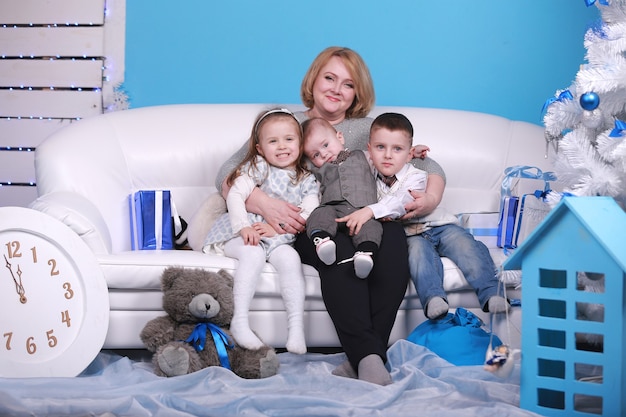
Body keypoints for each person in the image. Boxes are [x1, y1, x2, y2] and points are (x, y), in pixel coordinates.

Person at [216, 46, 445, 385]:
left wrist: (430, 198)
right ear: (313, 80)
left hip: (369, 216)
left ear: (357, 93)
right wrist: (263, 203)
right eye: (330, 78)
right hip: (313, 224)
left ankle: (365, 358)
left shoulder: (368, 128)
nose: (337, 89)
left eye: (348, 84)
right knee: (338, 252)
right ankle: (369, 357)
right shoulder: (286, 122)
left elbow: (427, 164)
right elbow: (227, 171)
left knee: (393, 242)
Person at [338, 112, 509, 321]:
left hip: (438, 225)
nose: (388, 155)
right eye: (380, 147)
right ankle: (434, 298)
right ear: (369, 149)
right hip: (410, 235)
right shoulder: (367, 172)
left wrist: (371, 210)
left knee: (466, 247)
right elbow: (349, 160)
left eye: (397, 149)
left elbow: (401, 202)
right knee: (418, 256)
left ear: (409, 155)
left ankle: (491, 291)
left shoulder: (416, 175)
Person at [203, 108, 319, 355]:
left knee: (291, 259)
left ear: (300, 143)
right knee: (253, 254)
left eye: (289, 139)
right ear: (259, 148)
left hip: (278, 238)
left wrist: (278, 229)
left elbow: (309, 212)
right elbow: (235, 194)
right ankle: (240, 321)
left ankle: (296, 329)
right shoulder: (258, 168)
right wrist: (243, 226)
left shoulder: (307, 179)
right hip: (242, 232)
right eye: (273, 141)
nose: (282, 146)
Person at [301, 117, 381, 279]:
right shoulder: (317, 172)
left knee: (372, 227)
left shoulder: (364, 156)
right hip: (332, 208)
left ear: (340, 137)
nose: (324, 154)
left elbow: (387, 160)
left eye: (325, 145)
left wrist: (411, 153)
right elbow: (310, 190)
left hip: (362, 210)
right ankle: (322, 242)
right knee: (319, 214)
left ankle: (365, 255)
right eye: (316, 154)